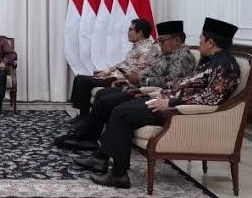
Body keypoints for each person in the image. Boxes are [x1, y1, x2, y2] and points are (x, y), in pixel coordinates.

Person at [75, 17, 240, 189]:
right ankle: (103, 159)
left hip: (178, 111)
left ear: (211, 42)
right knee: (119, 108)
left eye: (201, 39)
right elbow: (186, 83)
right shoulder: (212, 61)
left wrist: (172, 102)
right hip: (167, 100)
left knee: (121, 113)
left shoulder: (226, 67)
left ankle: (118, 174)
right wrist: (162, 91)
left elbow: (211, 98)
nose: (199, 43)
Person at [55, 20, 195, 151]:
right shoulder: (165, 53)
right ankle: (86, 135)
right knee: (103, 95)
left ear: (177, 40)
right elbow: (148, 70)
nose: (159, 44)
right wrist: (136, 77)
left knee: (106, 101)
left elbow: (169, 83)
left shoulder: (183, 57)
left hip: (151, 93)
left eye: (162, 41)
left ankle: (88, 138)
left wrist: (140, 79)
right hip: (139, 86)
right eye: (159, 40)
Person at [68, 18, 158, 121]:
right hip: (114, 75)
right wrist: (106, 71)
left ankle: (83, 116)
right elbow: (123, 63)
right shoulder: (138, 46)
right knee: (79, 78)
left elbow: (137, 73)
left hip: (118, 79)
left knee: (82, 81)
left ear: (140, 33)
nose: (128, 33)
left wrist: (112, 76)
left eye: (130, 30)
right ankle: (82, 115)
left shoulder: (146, 50)